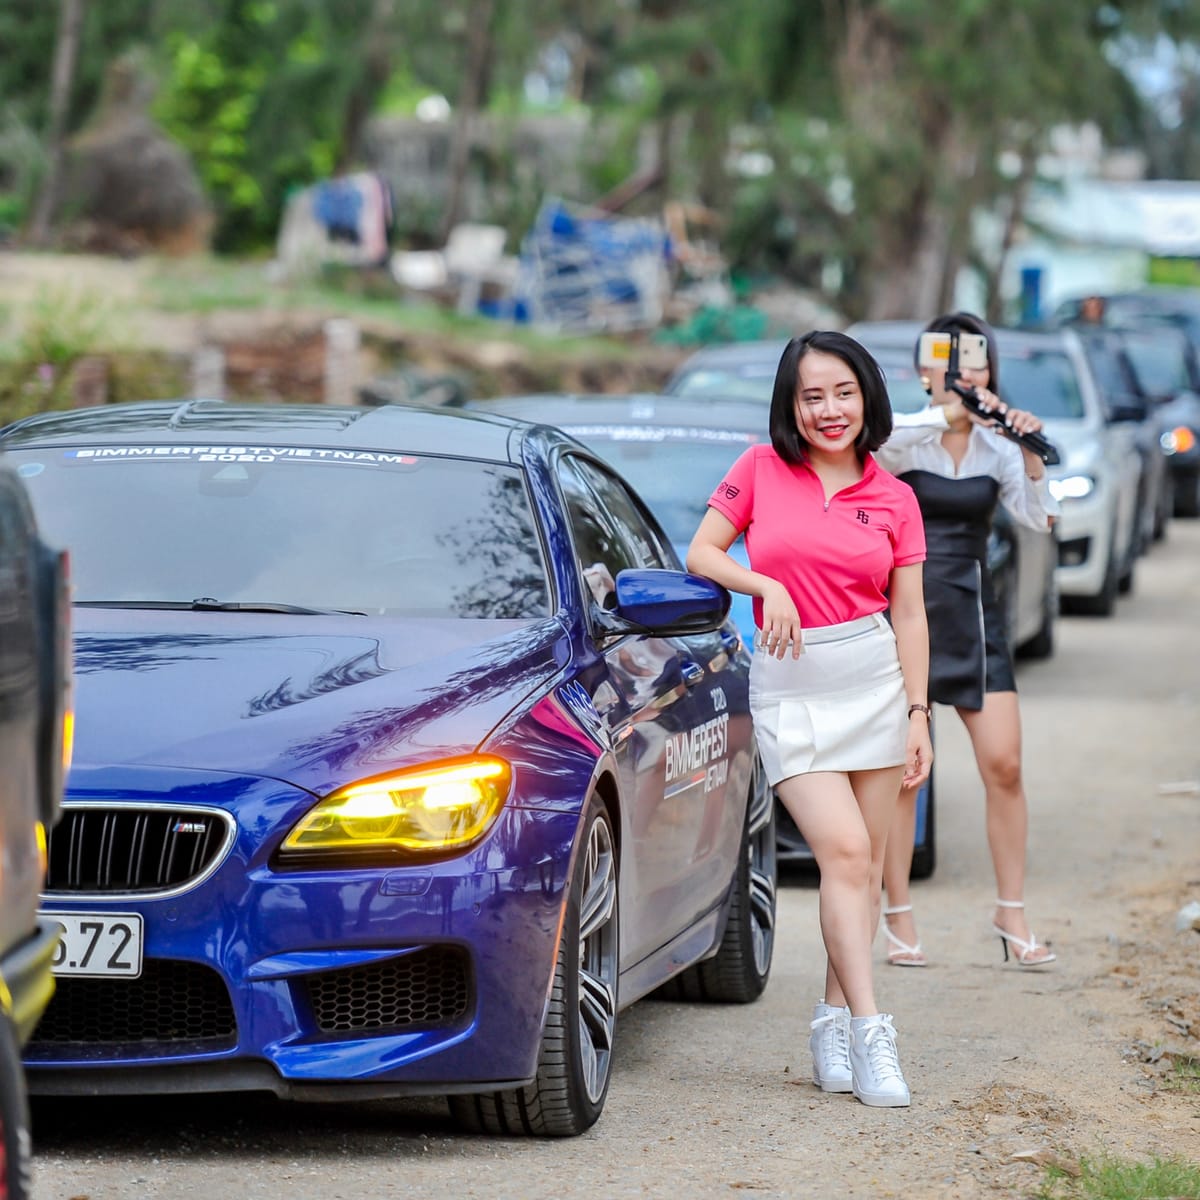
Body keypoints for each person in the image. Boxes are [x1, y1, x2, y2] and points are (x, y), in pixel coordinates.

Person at [686, 330, 932, 1108]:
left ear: (867, 396)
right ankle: (871, 1030)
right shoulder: (760, 469)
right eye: (811, 396)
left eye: (843, 392)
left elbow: (912, 616)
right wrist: (767, 587)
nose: (829, 410)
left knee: (854, 870)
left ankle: (830, 1020)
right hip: (792, 686)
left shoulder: (895, 498)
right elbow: (702, 554)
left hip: (875, 679)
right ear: (792, 404)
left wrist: (919, 713)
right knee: (846, 850)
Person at [874, 311, 1057, 969]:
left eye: (976, 365)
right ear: (926, 369)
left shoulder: (999, 444)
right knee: (904, 775)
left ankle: (1012, 913)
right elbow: (873, 446)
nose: (964, 376)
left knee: (1004, 765)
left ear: (990, 371)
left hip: (976, 614)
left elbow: (1039, 518)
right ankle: (898, 917)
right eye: (951, 364)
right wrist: (945, 417)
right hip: (909, 611)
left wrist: (1029, 449)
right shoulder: (904, 436)